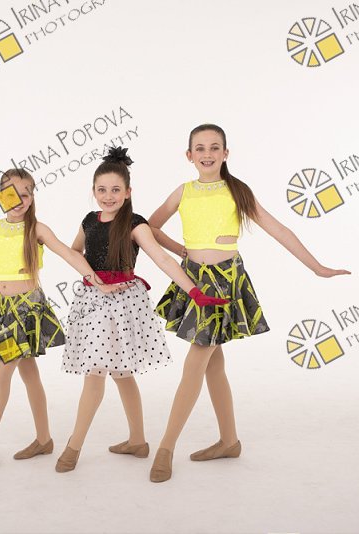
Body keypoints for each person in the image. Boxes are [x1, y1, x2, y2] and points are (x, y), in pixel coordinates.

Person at [147, 124, 351, 482]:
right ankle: (229, 442)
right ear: (189, 155)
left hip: (226, 282)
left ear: (226, 153)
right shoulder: (183, 191)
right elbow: (150, 227)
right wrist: (180, 249)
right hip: (194, 280)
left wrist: (317, 267)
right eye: (200, 148)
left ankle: (166, 447)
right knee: (213, 364)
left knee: (196, 362)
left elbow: (280, 230)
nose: (207, 153)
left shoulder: (237, 191)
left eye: (215, 147)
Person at [54, 146, 229, 473]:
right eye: (102, 190)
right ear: (93, 191)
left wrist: (194, 292)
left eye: (115, 190)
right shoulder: (89, 221)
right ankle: (137, 441)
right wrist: (94, 279)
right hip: (94, 302)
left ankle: (73, 447)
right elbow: (74, 252)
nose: (108, 196)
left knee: (106, 373)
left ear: (128, 192)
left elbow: (162, 259)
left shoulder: (135, 224)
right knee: (115, 373)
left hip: (122, 303)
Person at [0, 168, 122, 470]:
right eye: (12, 193)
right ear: (0, 195)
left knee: (4, 374)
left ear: (32, 198)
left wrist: (96, 281)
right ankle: (42, 439)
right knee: (27, 374)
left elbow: (69, 254)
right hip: (6, 309)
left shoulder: (37, 229)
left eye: (25, 194)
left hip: (29, 310)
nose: (19, 200)